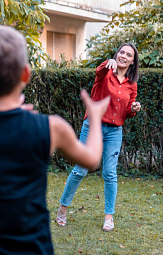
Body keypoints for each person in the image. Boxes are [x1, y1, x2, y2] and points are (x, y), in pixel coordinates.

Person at [0, 24, 110, 255]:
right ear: (25, 74)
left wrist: (12, 115)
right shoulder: (50, 128)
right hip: (32, 254)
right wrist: (93, 116)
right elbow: (91, 159)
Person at [56, 43, 142, 232]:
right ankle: (62, 209)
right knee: (80, 170)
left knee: (110, 173)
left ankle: (109, 217)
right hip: (93, 126)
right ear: (116, 54)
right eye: (121, 52)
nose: (124, 56)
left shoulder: (131, 84)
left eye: (129, 55)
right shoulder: (105, 73)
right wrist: (107, 64)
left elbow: (126, 112)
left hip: (114, 131)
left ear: (133, 61)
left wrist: (133, 109)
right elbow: (98, 72)